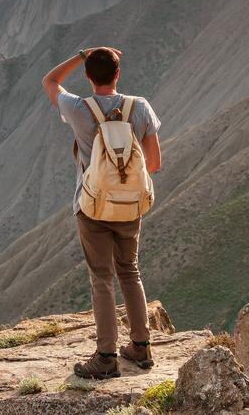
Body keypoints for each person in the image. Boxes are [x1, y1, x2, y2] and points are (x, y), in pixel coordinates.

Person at [41, 46, 163, 379]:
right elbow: (154, 164)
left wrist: (81, 54)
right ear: (118, 74)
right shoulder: (139, 108)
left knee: (102, 279)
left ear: (87, 76)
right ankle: (141, 346)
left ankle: (106, 357)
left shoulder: (78, 108)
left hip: (92, 207)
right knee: (130, 271)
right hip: (131, 208)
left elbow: (50, 81)